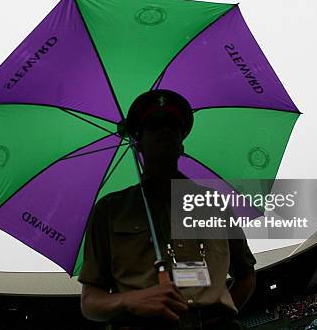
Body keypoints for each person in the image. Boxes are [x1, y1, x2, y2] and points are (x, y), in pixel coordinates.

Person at [78, 90, 257, 329]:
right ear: (137, 143)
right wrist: (131, 300)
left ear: (182, 144)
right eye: (154, 125)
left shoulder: (214, 203)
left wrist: (212, 316)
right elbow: (90, 302)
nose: (165, 130)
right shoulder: (109, 210)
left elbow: (246, 274)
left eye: (173, 126)